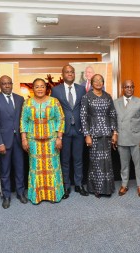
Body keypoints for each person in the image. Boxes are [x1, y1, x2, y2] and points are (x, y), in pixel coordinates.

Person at [20, 78, 65, 204]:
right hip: (33, 142)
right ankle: (37, 196)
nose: (40, 89)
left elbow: (60, 119)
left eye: (42, 86)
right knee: (36, 168)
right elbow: (23, 121)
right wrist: (24, 139)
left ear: (46, 88)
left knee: (52, 168)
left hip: (51, 141)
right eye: (37, 87)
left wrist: (59, 138)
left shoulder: (54, 102)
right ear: (33, 88)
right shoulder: (27, 103)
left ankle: (54, 195)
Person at [0, 75, 26, 209]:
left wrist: (25, 138)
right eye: (4, 84)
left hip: (19, 141)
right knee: (5, 170)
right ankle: (6, 196)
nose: (7, 86)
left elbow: (24, 120)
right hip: (4, 141)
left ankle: (21, 193)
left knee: (20, 168)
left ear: (12, 84)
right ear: (0, 85)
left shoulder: (20, 99)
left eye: (9, 83)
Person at [50, 65, 88, 199]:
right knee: (64, 160)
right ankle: (65, 186)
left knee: (78, 159)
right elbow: (53, 111)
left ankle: (78, 184)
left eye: (72, 72)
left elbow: (84, 108)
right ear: (63, 74)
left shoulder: (82, 89)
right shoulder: (55, 90)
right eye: (67, 72)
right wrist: (55, 132)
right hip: (63, 131)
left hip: (79, 129)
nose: (70, 74)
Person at [81, 74, 117, 198]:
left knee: (107, 161)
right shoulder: (86, 97)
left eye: (100, 80)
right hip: (93, 133)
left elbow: (112, 114)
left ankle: (108, 188)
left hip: (107, 133)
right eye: (95, 80)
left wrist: (115, 132)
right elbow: (83, 117)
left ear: (103, 82)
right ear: (91, 83)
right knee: (95, 161)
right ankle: (97, 188)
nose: (98, 82)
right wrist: (87, 135)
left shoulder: (108, 97)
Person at [114, 80, 140, 197]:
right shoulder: (115, 102)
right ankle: (124, 185)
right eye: (127, 87)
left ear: (133, 88)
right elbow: (114, 122)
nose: (129, 89)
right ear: (123, 88)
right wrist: (114, 135)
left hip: (136, 139)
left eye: (131, 87)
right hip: (122, 139)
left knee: (138, 165)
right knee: (124, 164)